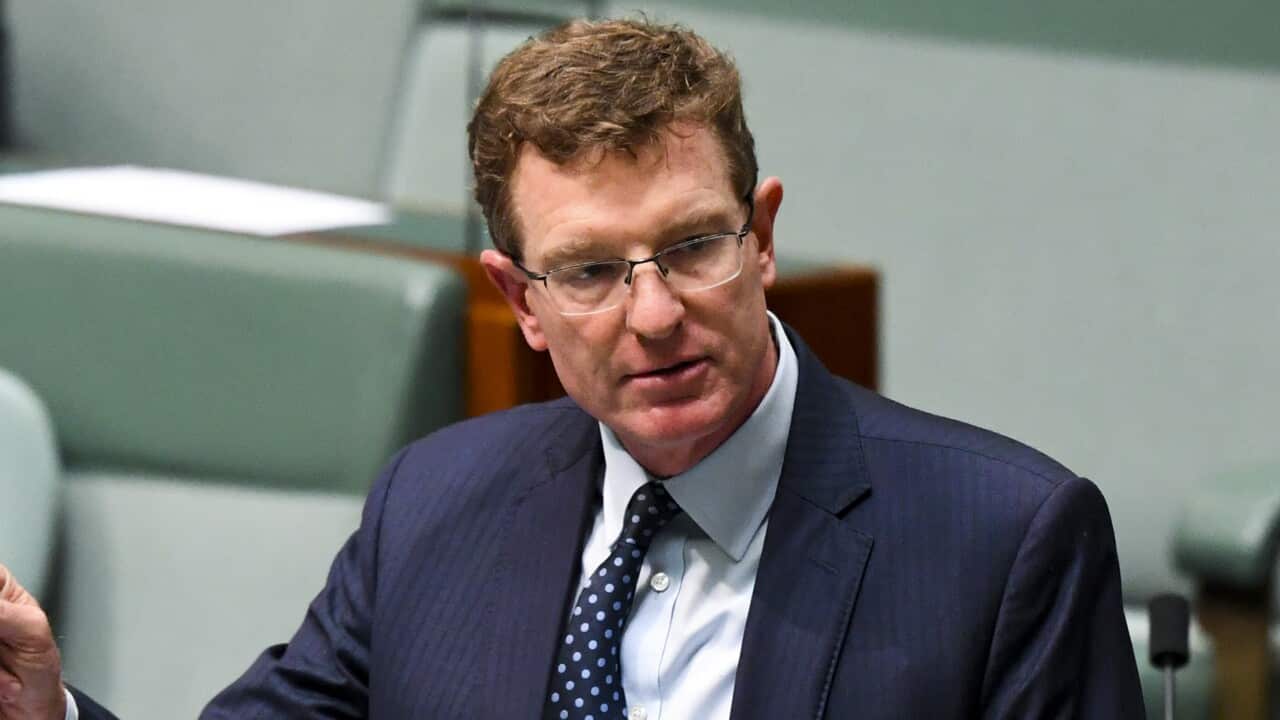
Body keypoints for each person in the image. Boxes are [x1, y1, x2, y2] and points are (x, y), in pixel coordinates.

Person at [0, 17, 1144, 720]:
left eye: (693, 246)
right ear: (520, 300)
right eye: (588, 272)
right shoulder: (437, 505)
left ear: (763, 234)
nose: (652, 315)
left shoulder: (1003, 543)